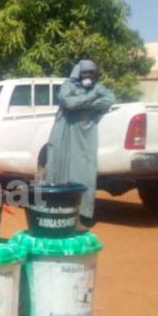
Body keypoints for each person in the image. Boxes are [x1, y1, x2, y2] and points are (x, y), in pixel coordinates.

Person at [44, 59, 116, 226]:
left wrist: (83, 102)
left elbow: (109, 99)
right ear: (79, 72)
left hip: (85, 136)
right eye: (85, 72)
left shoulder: (98, 88)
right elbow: (69, 103)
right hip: (63, 134)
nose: (88, 76)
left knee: (84, 172)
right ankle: (57, 210)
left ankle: (83, 213)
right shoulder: (68, 86)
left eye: (91, 73)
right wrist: (91, 99)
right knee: (57, 168)